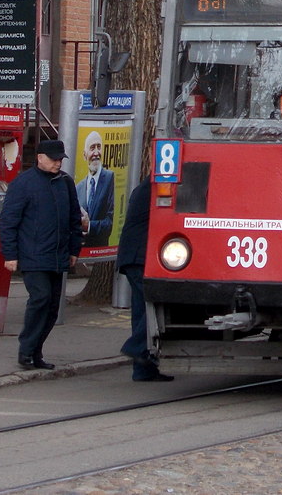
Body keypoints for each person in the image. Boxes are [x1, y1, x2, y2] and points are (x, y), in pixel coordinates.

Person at [0, 139, 83, 371]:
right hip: (33, 254)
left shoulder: (65, 182)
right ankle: (26, 350)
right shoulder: (23, 183)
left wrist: (74, 249)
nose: (58, 163)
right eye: (54, 159)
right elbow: (8, 222)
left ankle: (36, 352)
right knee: (41, 298)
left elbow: (74, 218)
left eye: (60, 159)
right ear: (40, 158)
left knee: (53, 307)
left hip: (58, 255)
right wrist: (10, 254)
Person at [116, 179, 174, 382]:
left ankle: (143, 370)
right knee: (157, 306)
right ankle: (136, 347)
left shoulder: (146, 187)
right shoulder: (157, 188)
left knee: (142, 310)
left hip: (134, 257)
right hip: (141, 258)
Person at [78, 129, 115, 247]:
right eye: (92, 148)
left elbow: (110, 223)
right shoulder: (79, 187)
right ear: (84, 155)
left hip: (101, 249)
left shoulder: (110, 178)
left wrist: (89, 226)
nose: (96, 152)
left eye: (99, 147)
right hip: (81, 250)